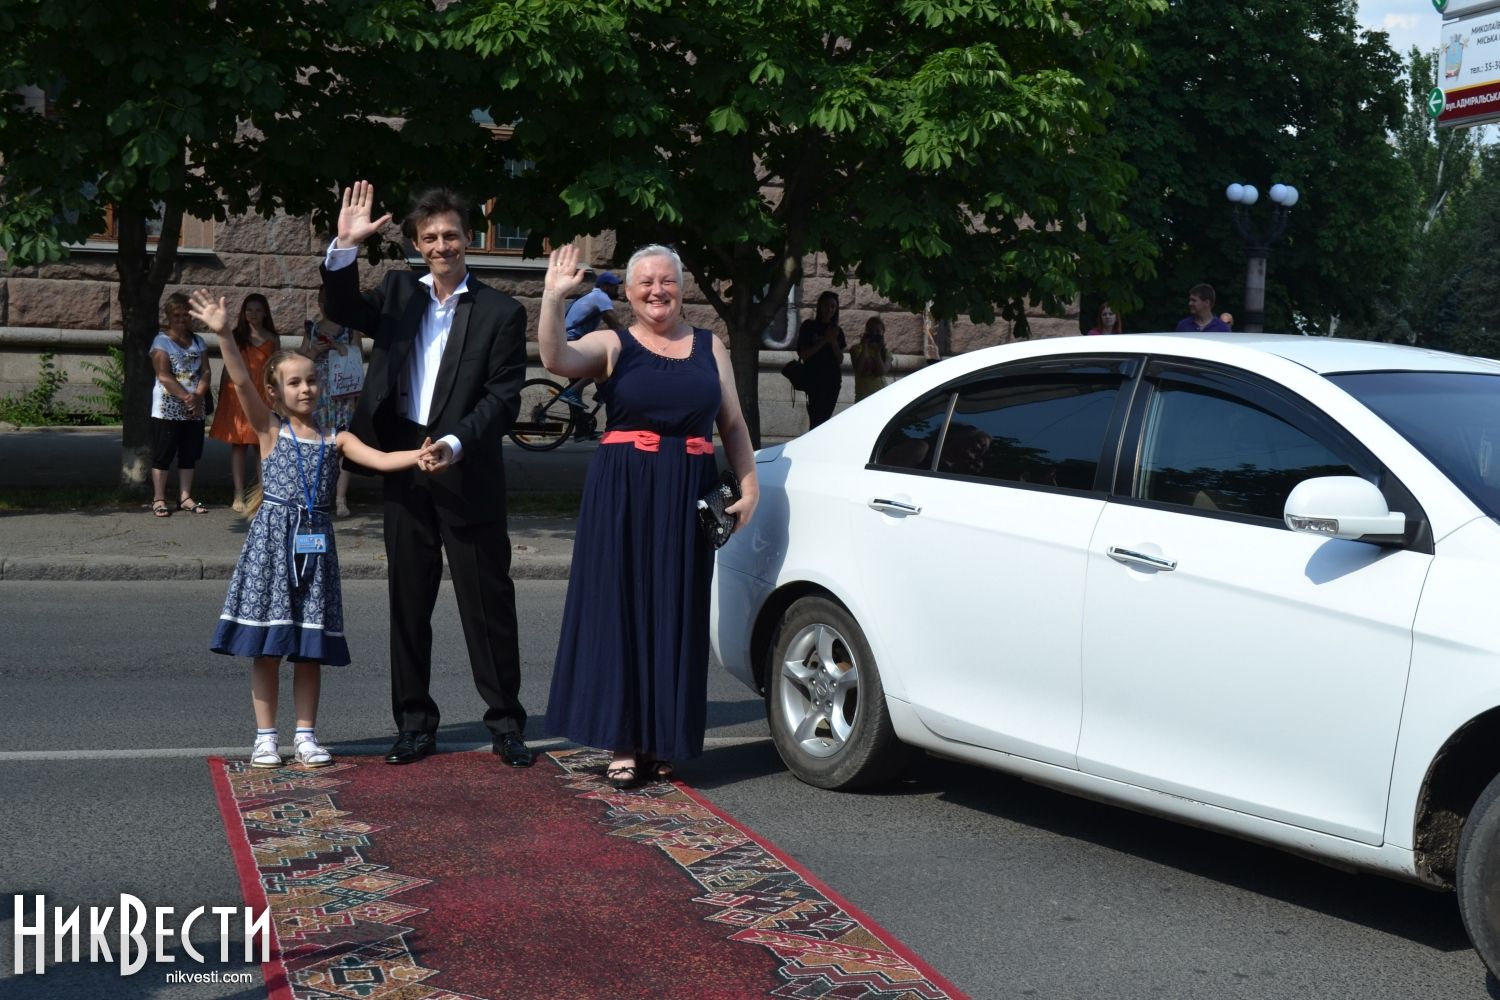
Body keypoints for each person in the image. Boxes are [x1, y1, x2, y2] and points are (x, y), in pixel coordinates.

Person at [321, 180, 535, 769]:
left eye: (451, 235)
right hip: (405, 470)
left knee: (487, 606)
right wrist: (345, 246)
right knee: (409, 605)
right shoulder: (398, 293)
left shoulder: (501, 311)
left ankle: (506, 724)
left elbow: (502, 398)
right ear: (417, 244)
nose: (442, 245)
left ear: (468, 238)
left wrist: (455, 443)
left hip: (467, 472)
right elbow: (341, 308)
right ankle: (414, 725)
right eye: (430, 237)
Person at [540, 242, 758, 789]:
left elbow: (732, 424)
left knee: (676, 611)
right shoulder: (613, 344)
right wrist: (552, 298)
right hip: (624, 491)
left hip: (688, 489)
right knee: (621, 609)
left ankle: (663, 739)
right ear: (630, 292)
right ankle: (623, 740)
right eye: (646, 282)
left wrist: (750, 484)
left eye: (667, 281)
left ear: (681, 288)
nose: (657, 290)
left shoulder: (710, 346)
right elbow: (555, 360)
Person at [189, 290, 431, 771]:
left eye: (312, 380)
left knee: (308, 649)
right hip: (272, 547)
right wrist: (223, 335)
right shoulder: (270, 431)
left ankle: (305, 735)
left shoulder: (337, 438)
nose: (306, 389)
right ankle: (265, 738)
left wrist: (420, 455)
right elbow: (240, 381)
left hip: (315, 551)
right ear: (275, 393)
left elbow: (381, 459)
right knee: (267, 648)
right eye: (295, 383)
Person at [209, 294, 281, 512]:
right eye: (249, 310)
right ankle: (239, 493)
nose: (253, 314)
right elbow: (227, 366)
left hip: (263, 394)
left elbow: (277, 368)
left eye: (258, 310)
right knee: (239, 445)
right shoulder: (237, 336)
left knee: (262, 444)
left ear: (265, 313)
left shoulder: (272, 338)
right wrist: (223, 394)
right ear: (243, 313)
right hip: (238, 395)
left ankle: (264, 492)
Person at [302, 289, 366, 517]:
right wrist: (314, 350)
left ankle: (340, 498)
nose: (327, 305)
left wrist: (340, 348)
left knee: (343, 445)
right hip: (318, 396)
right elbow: (299, 362)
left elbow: (358, 357)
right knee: (317, 444)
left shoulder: (350, 329)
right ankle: (319, 495)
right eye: (324, 300)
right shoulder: (312, 329)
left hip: (343, 395)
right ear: (319, 303)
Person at [148, 292, 212, 518]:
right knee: (163, 453)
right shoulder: (161, 341)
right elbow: (163, 375)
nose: (182, 319)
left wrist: (198, 395)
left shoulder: (198, 341)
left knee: (189, 453)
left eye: (185, 315)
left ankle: (185, 497)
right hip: (168, 408)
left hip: (194, 407)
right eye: (177, 315)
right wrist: (187, 397)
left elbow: (206, 371)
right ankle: (159, 498)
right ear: (169, 316)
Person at [556, 271, 628, 436]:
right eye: (614, 286)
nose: (617, 289)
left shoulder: (589, 295)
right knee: (601, 363)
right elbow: (615, 324)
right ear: (605, 286)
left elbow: (611, 325)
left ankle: (581, 429)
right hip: (572, 341)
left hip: (565, 341)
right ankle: (574, 391)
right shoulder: (601, 297)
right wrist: (631, 341)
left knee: (576, 390)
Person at [796, 290, 846, 428]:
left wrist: (833, 340)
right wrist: (824, 340)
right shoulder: (809, 326)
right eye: (826, 305)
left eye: (833, 306)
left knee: (824, 419)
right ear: (820, 306)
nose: (829, 310)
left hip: (832, 381)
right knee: (816, 419)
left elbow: (840, 359)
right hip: (814, 380)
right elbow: (803, 354)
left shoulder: (837, 331)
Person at [848, 316, 893, 401]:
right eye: (871, 331)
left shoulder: (886, 352)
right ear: (866, 332)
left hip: (881, 395)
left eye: (877, 331)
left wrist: (877, 352)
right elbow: (858, 370)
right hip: (862, 397)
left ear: (883, 332)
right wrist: (864, 348)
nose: (874, 334)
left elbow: (881, 372)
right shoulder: (856, 349)